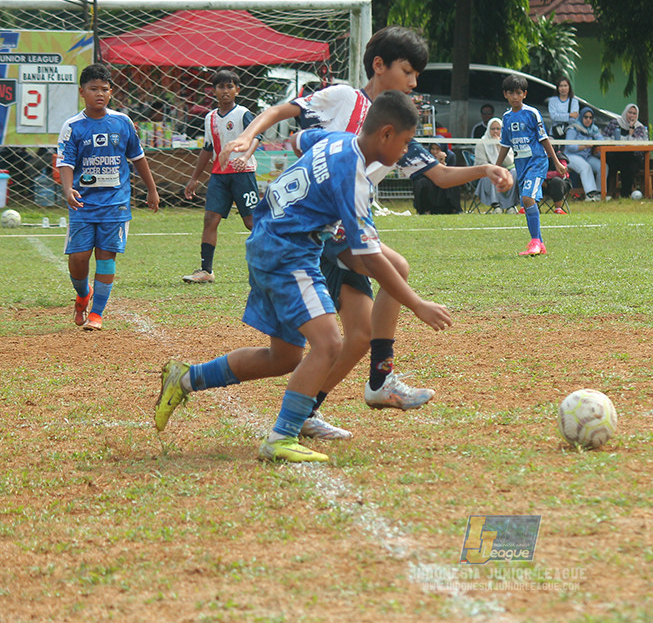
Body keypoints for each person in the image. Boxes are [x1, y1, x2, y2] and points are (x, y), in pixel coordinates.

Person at [219, 26, 512, 439]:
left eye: (416, 75)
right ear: (379, 65)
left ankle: (314, 408)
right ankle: (378, 380)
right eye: (408, 71)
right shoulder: (345, 99)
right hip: (319, 232)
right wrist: (249, 135)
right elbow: (286, 110)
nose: (414, 82)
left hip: (342, 233)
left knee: (358, 336)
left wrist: (485, 169)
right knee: (390, 273)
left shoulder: (396, 125)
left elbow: (439, 175)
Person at [155, 91, 453, 463]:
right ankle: (281, 437)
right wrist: (417, 304)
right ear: (386, 134)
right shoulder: (354, 177)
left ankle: (185, 378)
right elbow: (370, 258)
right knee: (328, 344)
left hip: (269, 240)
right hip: (288, 252)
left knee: (283, 357)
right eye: (405, 142)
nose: (405, 151)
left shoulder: (335, 138)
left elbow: (298, 139)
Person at [58, 63, 160, 332]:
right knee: (78, 258)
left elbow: (138, 157)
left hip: (115, 203)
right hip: (83, 203)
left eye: (104, 89)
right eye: (93, 89)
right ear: (82, 92)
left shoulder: (122, 122)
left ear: (111, 92)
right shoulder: (72, 126)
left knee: (106, 257)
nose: (99, 94)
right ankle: (83, 294)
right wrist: (68, 190)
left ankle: (97, 313)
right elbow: (65, 163)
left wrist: (151, 189)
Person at [181, 70, 261, 284]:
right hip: (219, 176)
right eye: (221, 87)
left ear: (237, 90)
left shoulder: (243, 114)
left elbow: (256, 137)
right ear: (214, 91)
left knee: (251, 222)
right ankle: (206, 270)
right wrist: (194, 178)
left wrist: (245, 157)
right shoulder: (210, 118)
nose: (225, 91)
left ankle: (275, 263)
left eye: (230, 86)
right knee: (210, 219)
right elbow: (207, 149)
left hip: (243, 174)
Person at [495, 74, 568, 256]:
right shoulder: (506, 117)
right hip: (521, 164)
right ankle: (539, 244)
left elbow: (544, 139)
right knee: (526, 203)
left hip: (537, 162)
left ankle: (535, 242)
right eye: (511, 93)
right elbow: (505, 144)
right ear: (505, 94)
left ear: (524, 94)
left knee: (528, 199)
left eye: (518, 93)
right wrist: (496, 167)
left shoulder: (532, 113)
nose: (515, 97)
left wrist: (556, 162)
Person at [602, 103, 648, 198]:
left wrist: (631, 131)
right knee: (608, 162)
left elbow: (640, 143)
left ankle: (625, 194)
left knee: (630, 166)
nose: (632, 116)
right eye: (629, 112)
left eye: (634, 113)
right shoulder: (615, 123)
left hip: (632, 156)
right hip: (615, 155)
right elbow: (604, 137)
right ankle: (606, 193)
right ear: (625, 112)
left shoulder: (639, 127)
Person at [474, 117, 518, 213]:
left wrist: (501, 146)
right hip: (487, 172)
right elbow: (481, 163)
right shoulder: (481, 143)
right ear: (488, 129)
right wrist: (494, 169)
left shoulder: (506, 142)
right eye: (492, 129)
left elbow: (510, 162)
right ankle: (496, 205)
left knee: (515, 173)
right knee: (491, 174)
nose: (495, 131)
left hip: (505, 170)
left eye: (498, 129)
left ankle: (510, 205)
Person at [564, 106, 605, 201]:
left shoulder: (593, 129)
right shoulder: (573, 128)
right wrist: (584, 146)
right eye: (585, 117)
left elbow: (601, 140)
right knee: (585, 167)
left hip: (586, 156)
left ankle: (600, 193)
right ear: (581, 117)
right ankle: (590, 194)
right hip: (571, 156)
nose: (588, 120)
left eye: (590, 118)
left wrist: (595, 140)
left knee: (603, 166)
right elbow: (569, 146)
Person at [412, 139, 462, 214]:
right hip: (429, 179)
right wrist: (436, 163)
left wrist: (443, 164)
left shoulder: (451, 156)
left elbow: (451, 172)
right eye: (432, 149)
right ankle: (425, 210)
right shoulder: (425, 156)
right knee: (421, 183)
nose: (435, 152)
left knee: (454, 182)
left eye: (437, 149)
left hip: (445, 179)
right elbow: (423, 172)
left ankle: (453, 209)